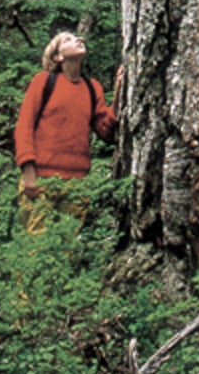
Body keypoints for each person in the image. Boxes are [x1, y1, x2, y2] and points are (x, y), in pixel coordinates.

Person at [14, 30, 123, 234]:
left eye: (78, 38)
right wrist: (29, 173)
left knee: (68, 248)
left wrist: (119, 92)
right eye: (68, 39)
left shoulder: (92, 88)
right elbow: (24, 127)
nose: (78, 40)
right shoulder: (43, 82)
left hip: (77, 183)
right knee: (37, 248)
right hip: (42, 179)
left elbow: (106, 131)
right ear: (58, 56)